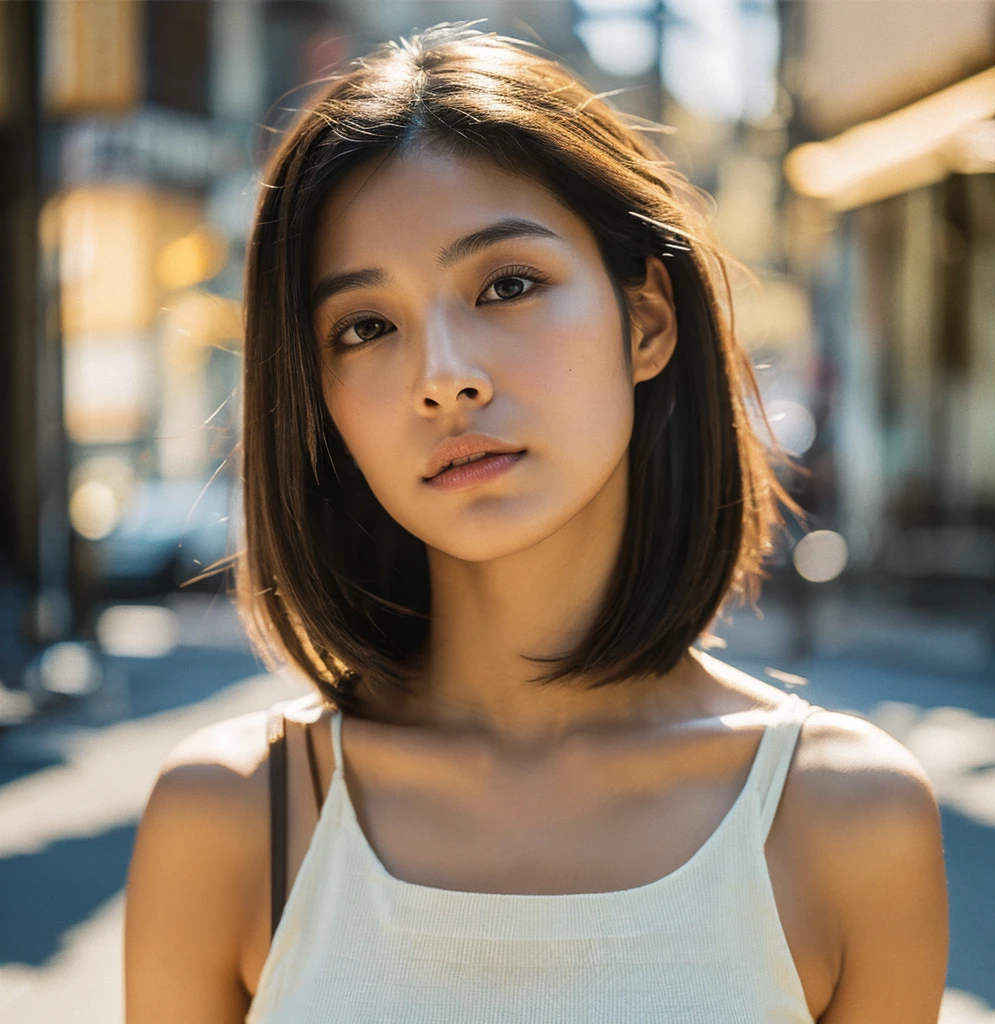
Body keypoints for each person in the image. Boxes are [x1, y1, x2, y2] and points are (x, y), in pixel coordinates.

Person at [123, 21, 949, 1023]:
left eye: (506, 284)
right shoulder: (231, 819)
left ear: (645, 322)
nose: (443, 377)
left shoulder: (848, 818)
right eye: (366, 327)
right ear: (321, 401)